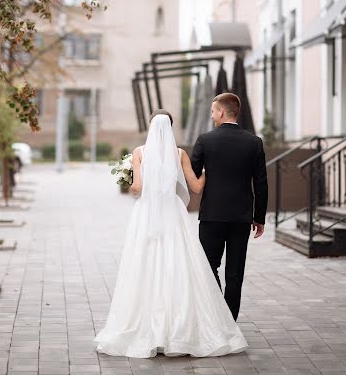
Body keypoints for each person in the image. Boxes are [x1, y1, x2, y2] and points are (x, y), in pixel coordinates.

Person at [95, 109, 247, 359]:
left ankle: (147, 329)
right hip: (173, 214)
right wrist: (211, 170)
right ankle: (180, 330)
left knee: (144, 265)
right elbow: (196, 187)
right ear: (171, 128)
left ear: (151, 126)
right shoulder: (179, 154)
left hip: (146, 216)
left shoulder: (139, 153)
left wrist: (129, 177)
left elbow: (138, 188)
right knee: (177, 264)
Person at [191, 93, 268, 321]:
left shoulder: (205, 140)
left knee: (209, 267)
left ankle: (216, 315)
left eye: (213, 111)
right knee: (235, 272)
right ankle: (229, 320)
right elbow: (261, 182)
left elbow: (193, 175)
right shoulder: (254, 142)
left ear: (222, 112)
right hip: (241, 217)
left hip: (212, 215)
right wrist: (259, 217)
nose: (212, 115)